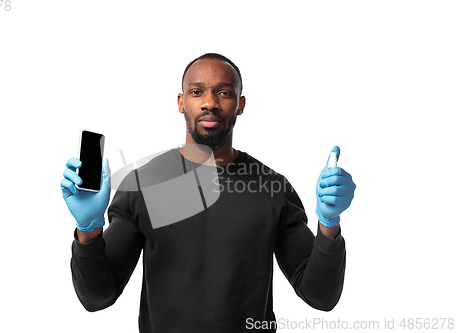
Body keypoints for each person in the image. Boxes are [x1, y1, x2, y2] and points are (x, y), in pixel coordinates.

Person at [61, 53, 356, 333]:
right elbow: (97, 298)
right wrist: (89, 229)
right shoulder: (142, 185)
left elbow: (320, 297)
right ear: (181, 102)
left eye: (224, 93)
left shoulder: (272, 188)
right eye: (197, 92)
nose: (210, 103)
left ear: (240, 104)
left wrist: (329, 224)